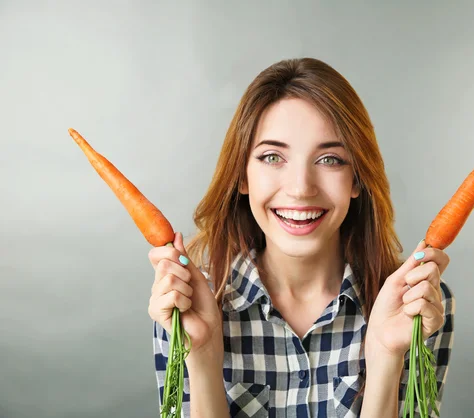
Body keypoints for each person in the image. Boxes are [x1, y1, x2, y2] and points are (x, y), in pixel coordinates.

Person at [148, 57, 455, 418]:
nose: (300, 189)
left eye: (329, 160)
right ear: (242, 177)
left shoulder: (417, 305)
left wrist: (387, 357)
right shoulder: (187, 303)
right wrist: (200, 355)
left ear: (357, 180)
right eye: (272, 157)